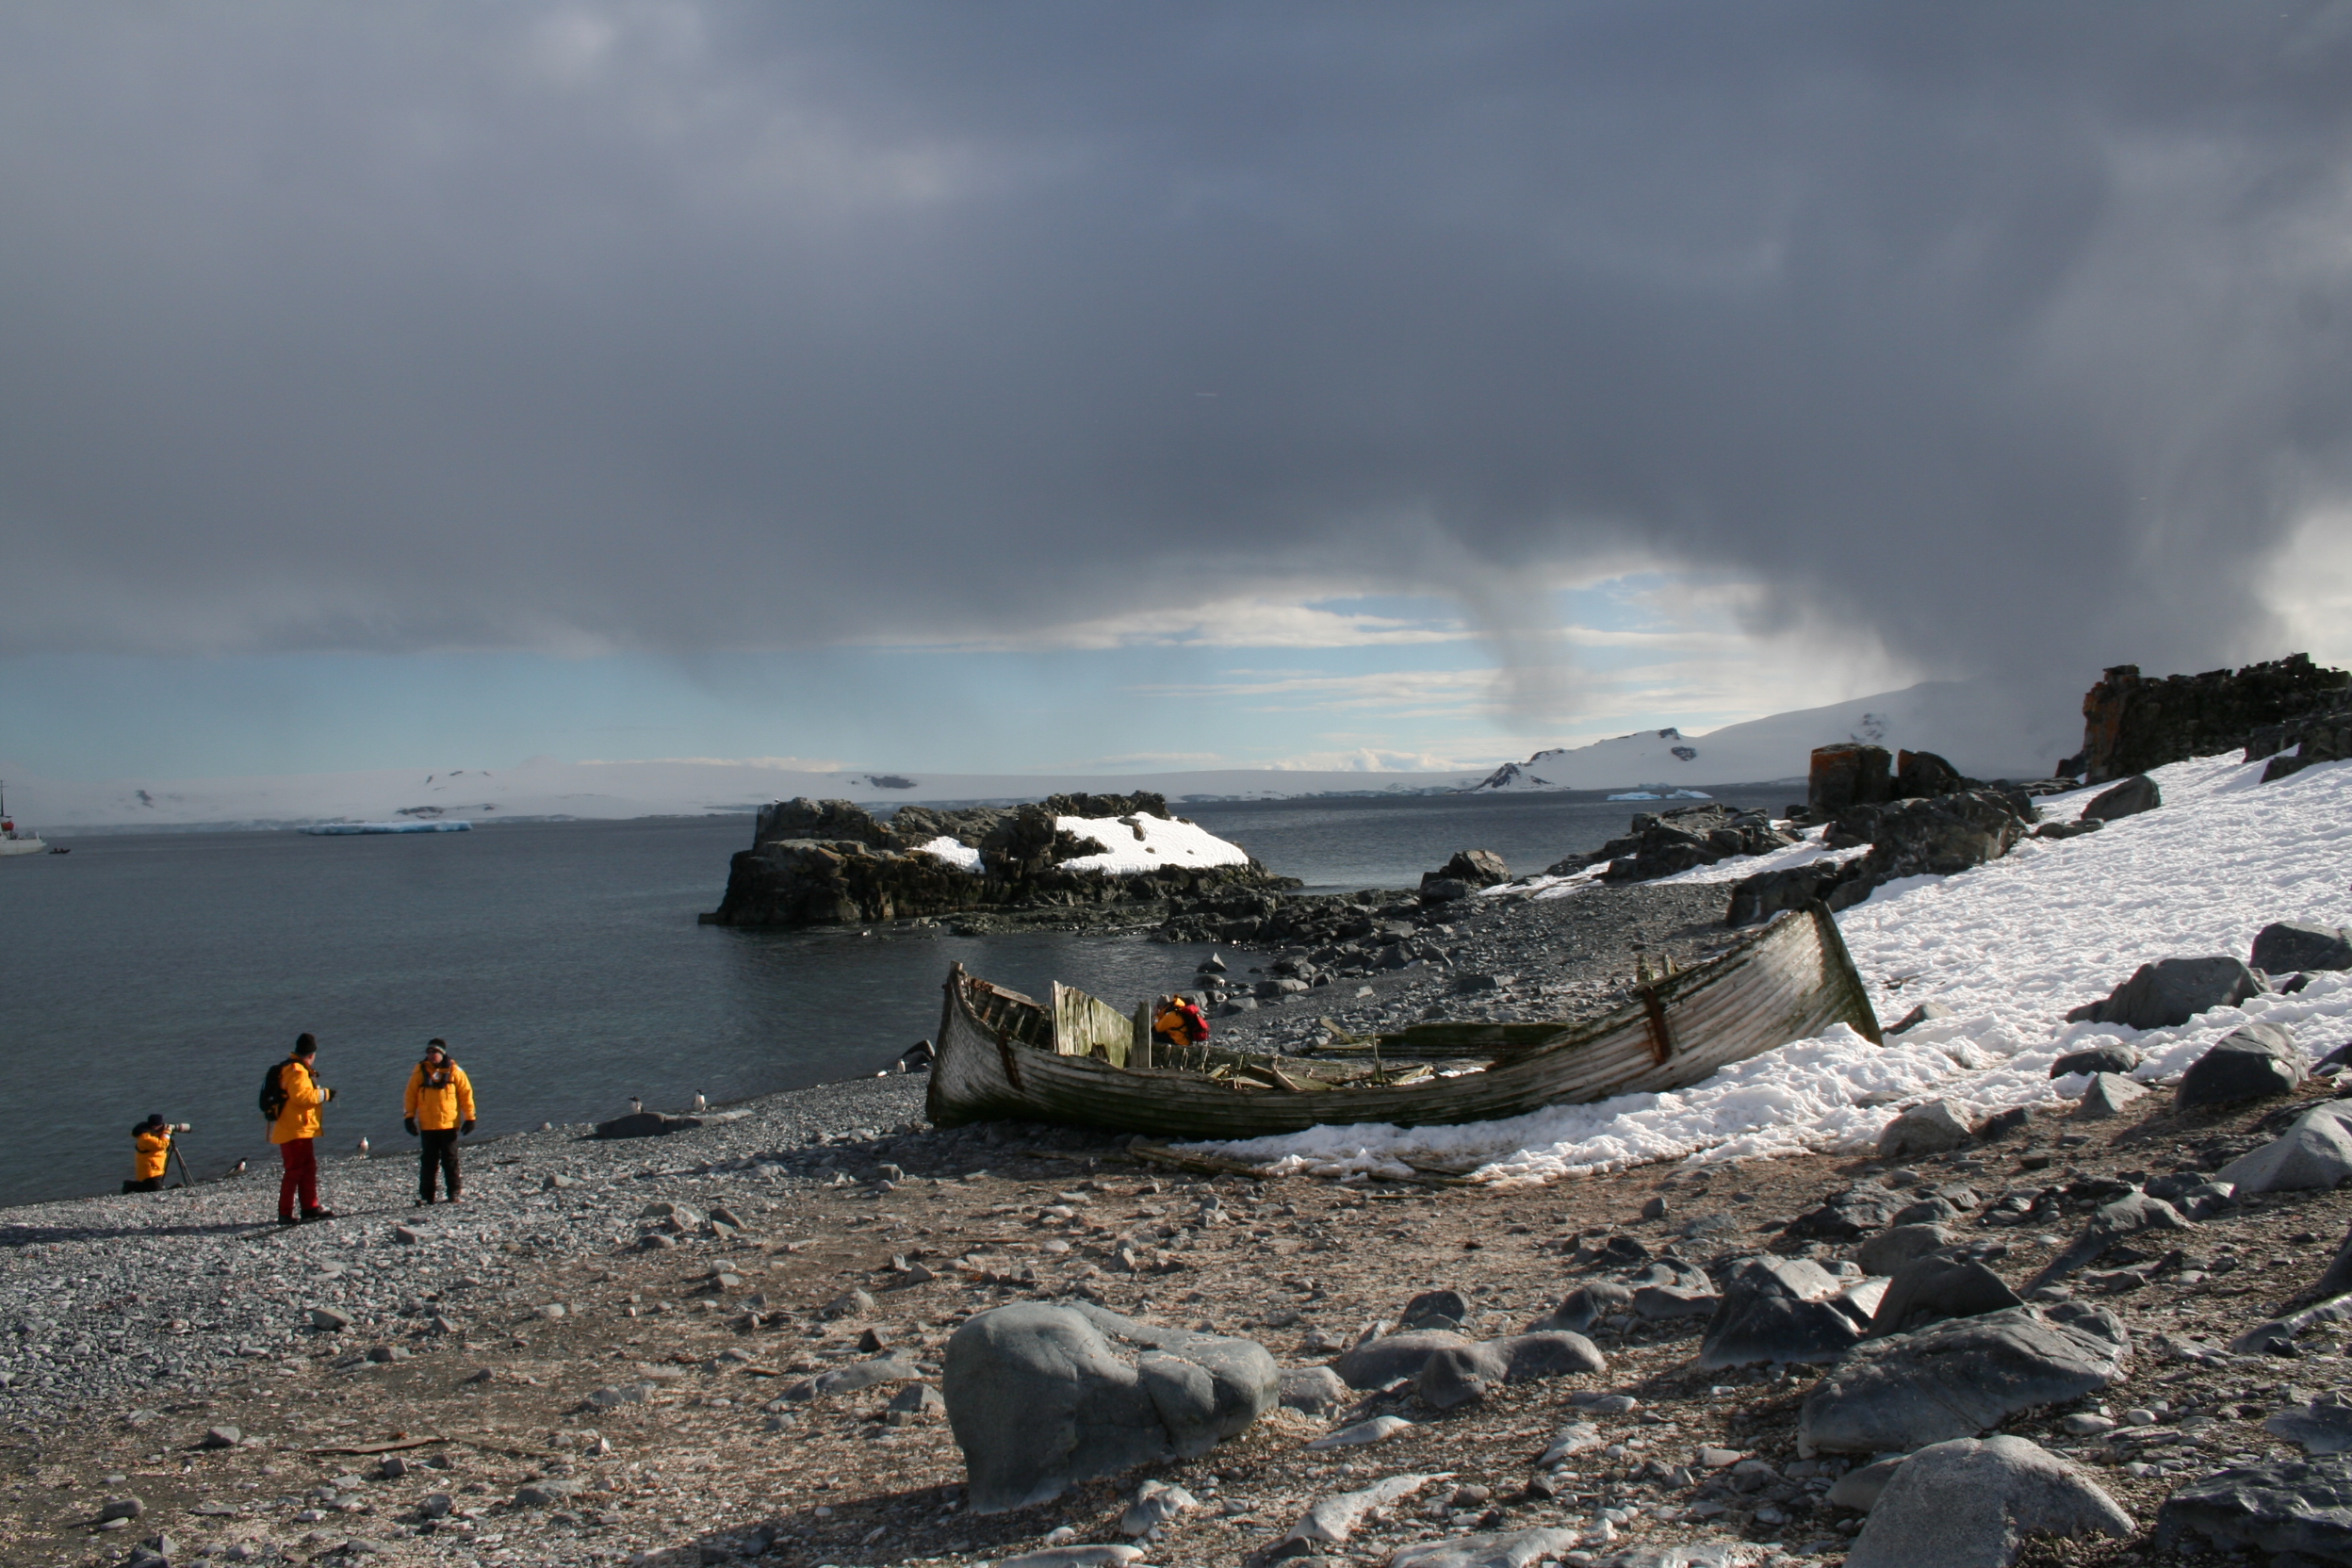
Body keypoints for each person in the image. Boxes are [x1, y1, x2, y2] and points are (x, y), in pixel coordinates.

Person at [265, 1033, 336, 1225]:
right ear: (312, 1054)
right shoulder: (296, 1070)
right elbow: (301, 1097)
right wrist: (325, 1094)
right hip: (294, 1129)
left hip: (298, 1128)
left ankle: (309, 1207)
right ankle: (286, 1213)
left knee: (307, 1168)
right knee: (295, 1170)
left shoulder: (292, 1067)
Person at [403, 1038, 475, 1205]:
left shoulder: (455, 1071)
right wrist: (409, 1118)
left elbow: (466, 1095)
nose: (430, 1055)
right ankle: (427, 1196)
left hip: (449, 1125)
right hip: (428, 1126)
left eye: (434, 1052)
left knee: (450, 1160)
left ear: (442, 1053)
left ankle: (454, 1193)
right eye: (428, 1052)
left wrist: (470, 1117)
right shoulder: (419, 1072)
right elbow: (410, 1096)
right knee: (428, 1162)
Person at [123, 1114, 185, 1193]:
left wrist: (162, 1133)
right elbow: (161, 1145)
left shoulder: (151, 1132)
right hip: (150, 1169)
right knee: (155, 1191)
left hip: (155, 1166)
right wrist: (167, 1133)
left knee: (154, 1188)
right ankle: (130, 1185)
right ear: (153, 1126)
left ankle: (136, 1185)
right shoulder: (145, 1137)